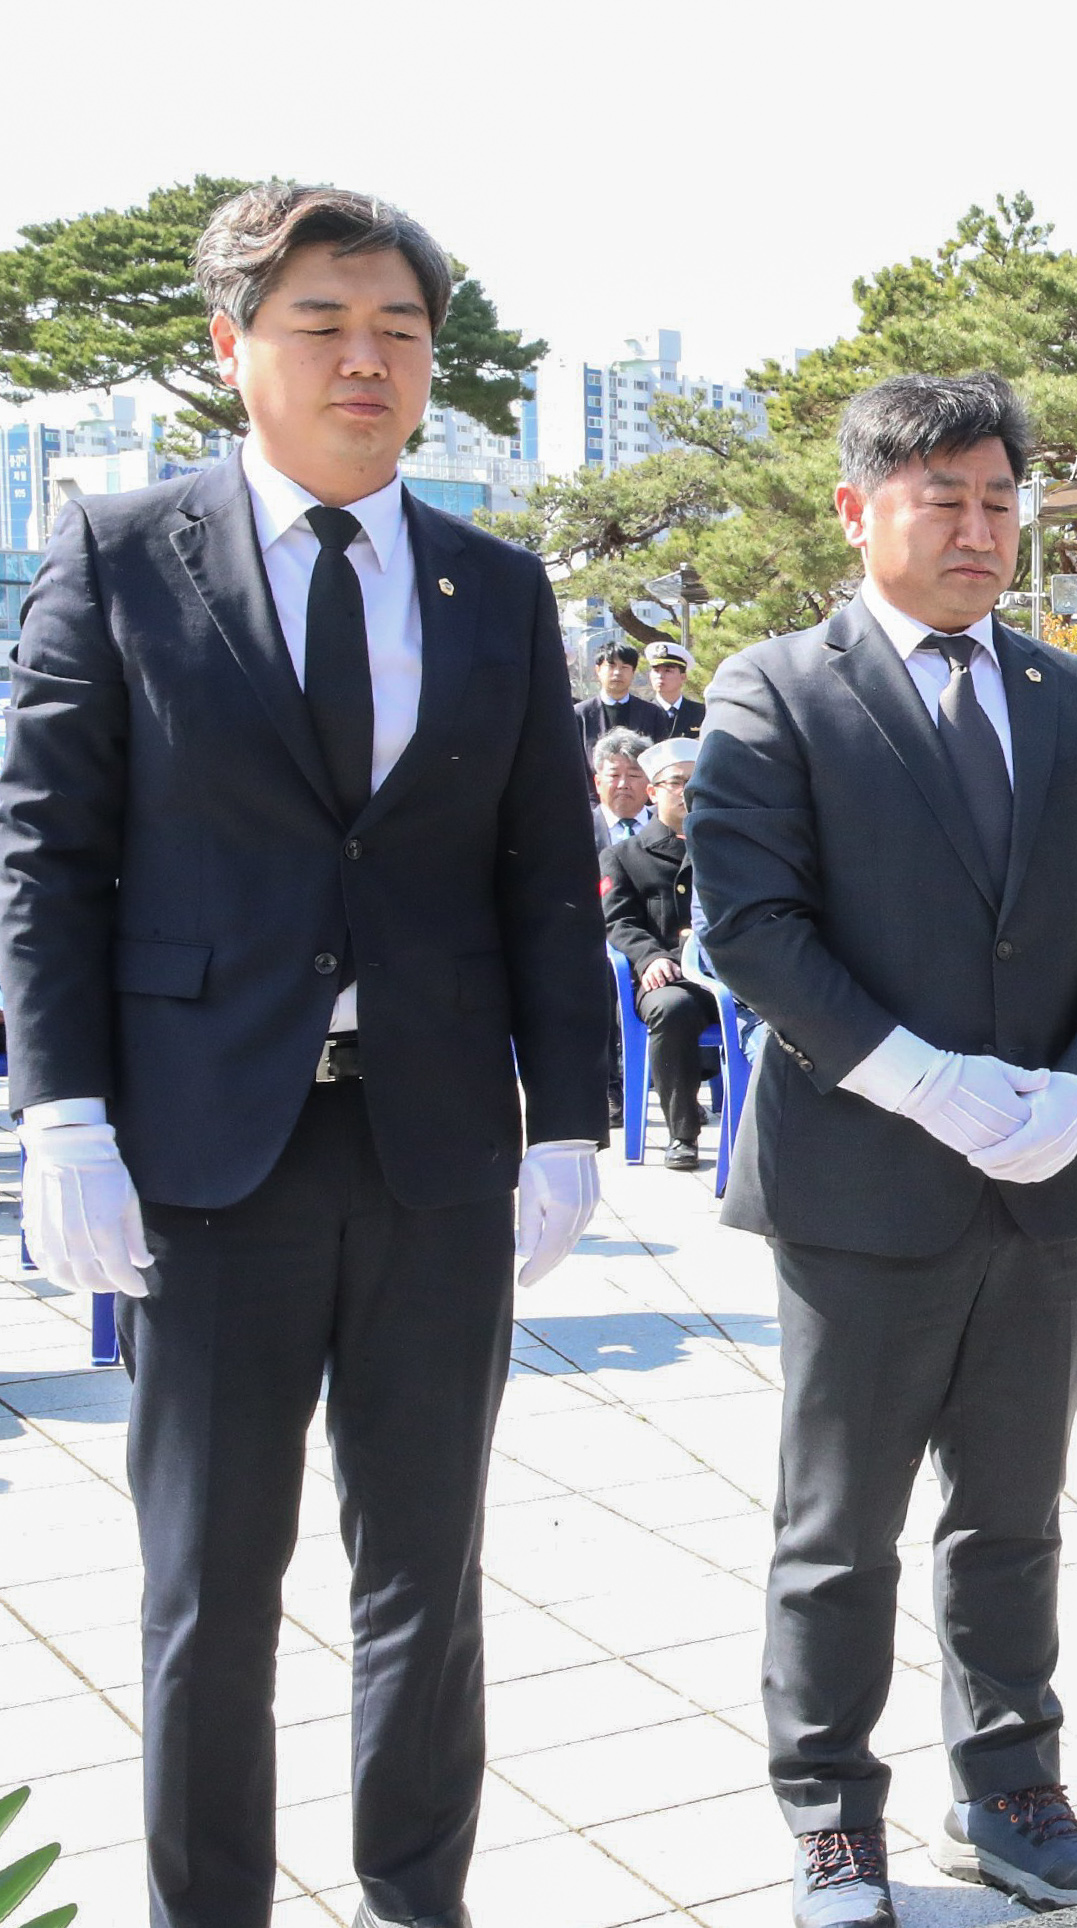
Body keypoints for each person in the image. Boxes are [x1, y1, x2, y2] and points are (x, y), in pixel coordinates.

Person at [0, 181, 607, 1928]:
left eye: (402, 330)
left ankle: (419, 1897)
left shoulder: (491, 583)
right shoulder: (123, 551)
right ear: (233, 348)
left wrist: (564, 1119)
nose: (370, 359)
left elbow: (543, 877)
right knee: (208, 1584)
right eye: (327, 323)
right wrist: (66, 1114)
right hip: (207, 1151)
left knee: (429, 1567)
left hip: (432, 1150)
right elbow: (49, 855)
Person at [686, 372, 1077, 1922]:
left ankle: (1015, 1791)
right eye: (940, 497)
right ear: (860, 509)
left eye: (997, 497)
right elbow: (753, 926)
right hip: (864, 1177)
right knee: (839, 1529)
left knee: (1013, 1511)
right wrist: (921, 1082)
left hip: (1044, 1182)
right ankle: (831, 1813)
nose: (977, 527)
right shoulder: (777, 690)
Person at [604, 737, 721, 1171]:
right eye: (676, 782)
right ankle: (683, 1133)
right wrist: (651, 957)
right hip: (666, 978)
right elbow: (617, 921)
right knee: (672, 1010)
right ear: (652, 793)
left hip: (723, 972)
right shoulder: (624, 855)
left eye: (695, 781)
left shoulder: (722, 846)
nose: (686, 791)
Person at [578, 634, 675, 749]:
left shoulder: (652, 713)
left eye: (624, 667)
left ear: (633, 672)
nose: (617, 673)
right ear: (598, 670)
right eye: (611, 666)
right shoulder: (580, 714)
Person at [591, 726, 654, 845]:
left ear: (650, 782)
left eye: (633, 775)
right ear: (598, 783)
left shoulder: (668, 827)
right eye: (614, 775)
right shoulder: (580, 829)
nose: (623, 784)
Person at [652, 636, 709, 737]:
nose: (660, 676)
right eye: (656, 671)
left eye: (668, 671)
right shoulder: (640, 712)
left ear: (683, 677)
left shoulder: (701, 712)